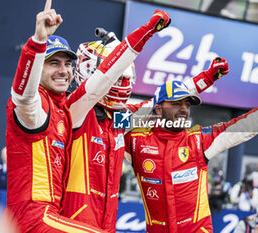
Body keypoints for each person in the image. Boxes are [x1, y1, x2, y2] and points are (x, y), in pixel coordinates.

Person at [5, 0, 166, 231]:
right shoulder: (41, 105)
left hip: (56, 218)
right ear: (39, 66)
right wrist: (38, 42)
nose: (63, 70)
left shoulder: (68, 111)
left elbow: (152, 107)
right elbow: (23, 96)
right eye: (53, 63)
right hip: (34, 219)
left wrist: (202, 82)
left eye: (67, 64)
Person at [61, 19, 229, 233]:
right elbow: (99, 83)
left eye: (125, 77)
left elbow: (156, 103)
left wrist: (207, 77)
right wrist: (146, 32)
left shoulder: (119, 119)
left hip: (106, 223)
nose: (122, 82)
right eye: (118, 76)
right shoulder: (76, 111)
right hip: (74, 222)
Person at [124, 77, 258, 232]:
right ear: (158, 109)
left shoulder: (199, 140)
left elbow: (249, 123)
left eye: (187, 104)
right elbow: (105, 124)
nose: (184, 109)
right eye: (177, 103)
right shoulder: (135, 140)